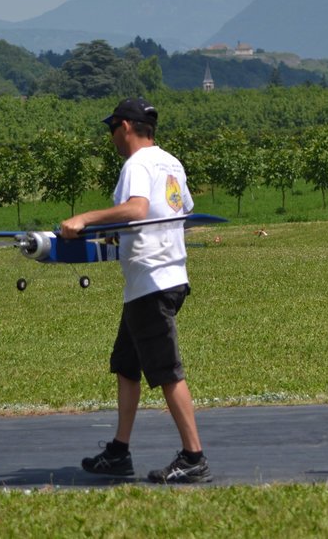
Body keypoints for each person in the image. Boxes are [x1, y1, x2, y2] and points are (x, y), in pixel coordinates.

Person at [61, 97, 211, 484]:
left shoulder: (137, 164)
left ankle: (194, 457)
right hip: (165, 277)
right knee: (126, 365)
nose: (112, 137)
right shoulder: (171, 163)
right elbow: (182, 211)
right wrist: (123, 236)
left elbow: (137, 209)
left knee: (166, 371)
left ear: (125, 126)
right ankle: (119, 451)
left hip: (151, 283)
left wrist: (85, 219)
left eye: (112, 129)